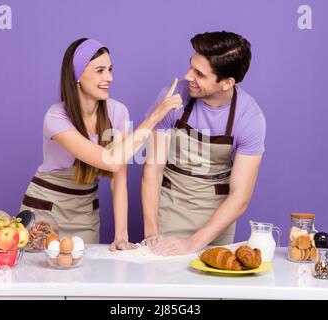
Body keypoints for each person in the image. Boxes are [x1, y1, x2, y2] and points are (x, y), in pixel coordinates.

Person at [20, 38, 182, 250]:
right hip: (45, 210)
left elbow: (119, 177)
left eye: (110, 69)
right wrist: (153, 119)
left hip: (85, 213)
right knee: (38, 278)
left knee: (81, 277)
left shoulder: (118, 112)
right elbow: (111, 161)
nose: (110, 78)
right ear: (77, 76)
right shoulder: (55, 117)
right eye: (100, 70)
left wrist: (121, 235)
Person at [141, 31, 266, 255]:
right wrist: (152, 234)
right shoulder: (172, 97)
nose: (188, 76)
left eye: (199, 73)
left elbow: (240, 196)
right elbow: (153, 170)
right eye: (191, 66)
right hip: (169, 213)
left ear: (227, 83)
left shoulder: (249, 118)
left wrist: (193, 243)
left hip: (217, 225)